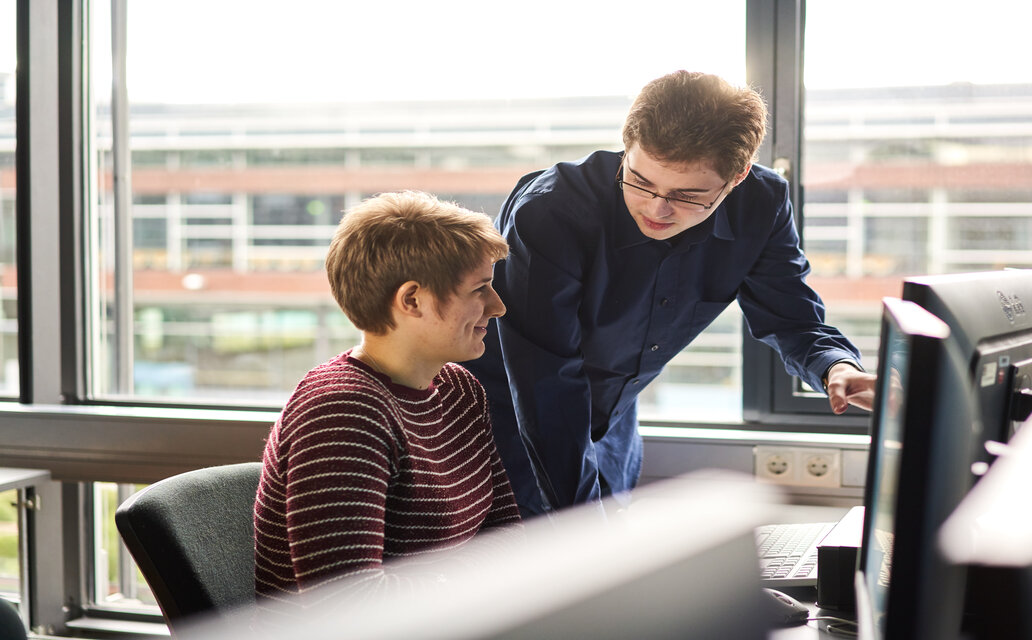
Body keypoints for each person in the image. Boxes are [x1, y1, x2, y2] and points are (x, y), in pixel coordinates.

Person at [464, 70, 876, 519]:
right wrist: (581, 524)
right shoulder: (551, 211)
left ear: (736, 178)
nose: (657, 208)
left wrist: (836, 365)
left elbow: (791, 316)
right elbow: (546, 380)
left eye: (687, 195)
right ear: (627, 147)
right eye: (641, 181)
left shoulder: (762, 203)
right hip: (502, 424)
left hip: (612, 424)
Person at [253, 191, 521, 614]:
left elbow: (508, 539)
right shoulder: (342, 412)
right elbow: (346, 603)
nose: (498, 307)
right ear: (412, 300)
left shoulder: (459, 390)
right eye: (480, 289)